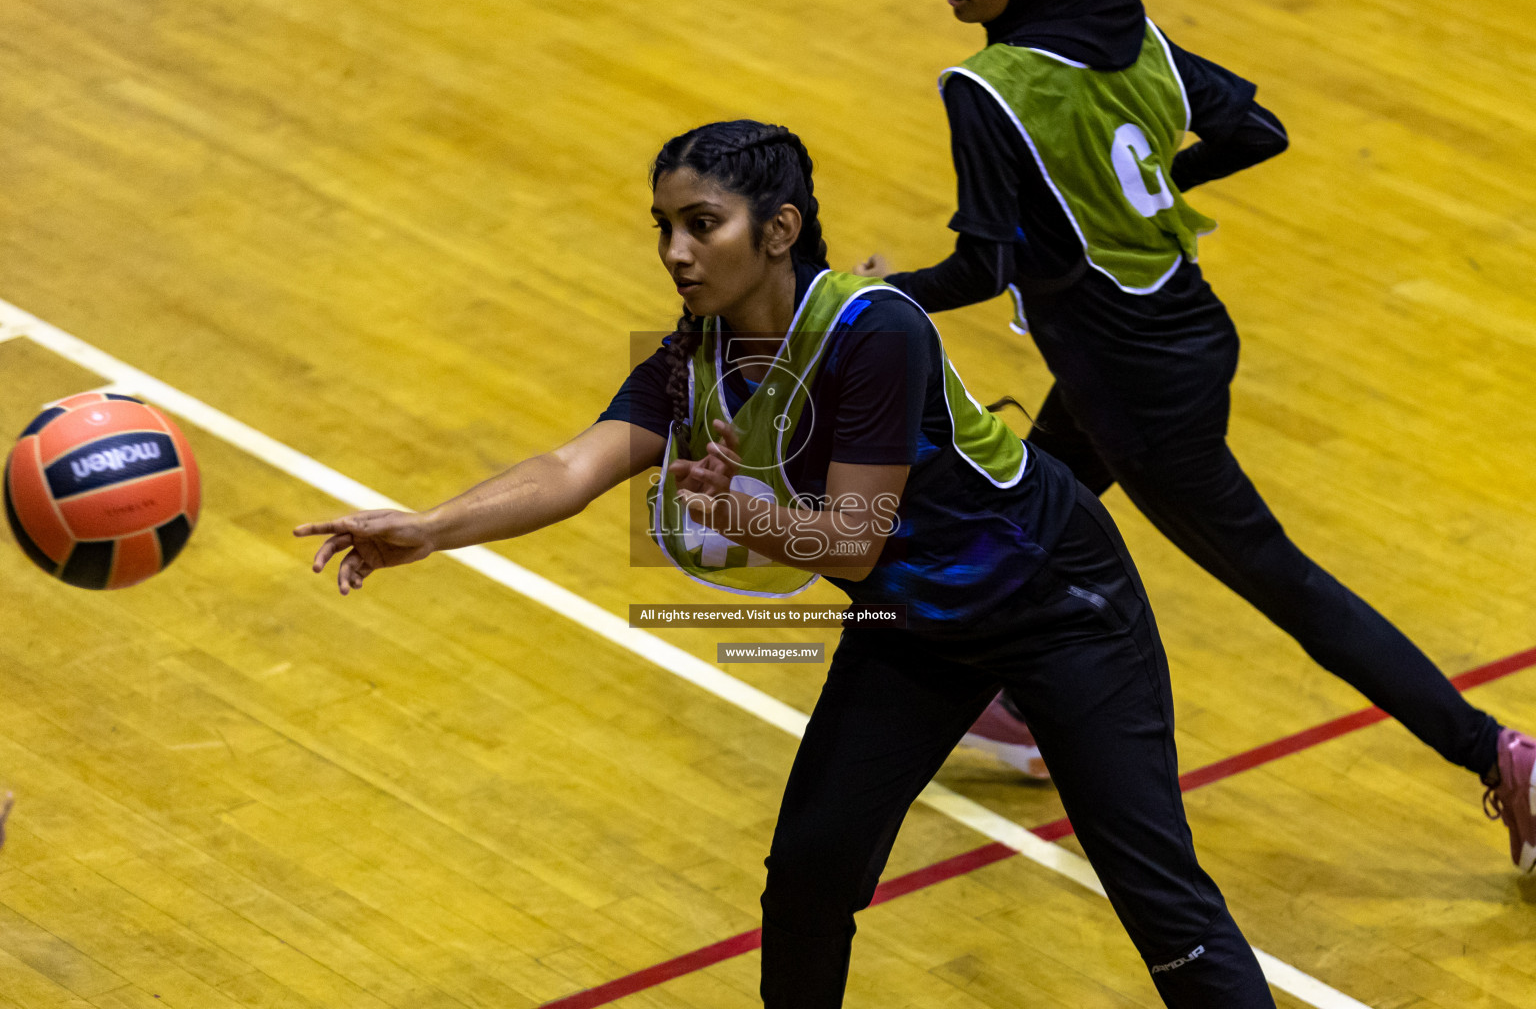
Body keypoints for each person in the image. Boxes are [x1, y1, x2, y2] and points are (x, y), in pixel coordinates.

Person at [296, 120, 1280, 1006]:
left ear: (778, 229)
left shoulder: (876, 330)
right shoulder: (696, 359)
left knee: (1154, 889)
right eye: (663, 226)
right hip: (918, 626)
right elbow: (571, 464)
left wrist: (737, 509)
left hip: (1062, 604)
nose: (675, 251)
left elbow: (851, 534)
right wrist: (430, 526)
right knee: (812, 866)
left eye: (701, 223)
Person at [854, 0, 1536, 870]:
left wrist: (873, 295)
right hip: (1183, 338)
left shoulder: (986, 88)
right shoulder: (1130, 37)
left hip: (1131, 385)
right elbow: (1258, 130)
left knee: (1279, 578)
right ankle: (1018, 707)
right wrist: (1146, 190)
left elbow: (985, 264)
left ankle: (1497, 753)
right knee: (1015, 514)